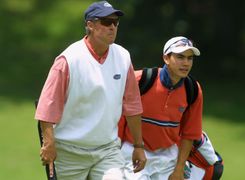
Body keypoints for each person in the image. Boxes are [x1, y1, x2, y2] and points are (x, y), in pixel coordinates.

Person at [34, 1, 146, 179]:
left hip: (107, 150)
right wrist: (49, 144)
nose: (112, 27)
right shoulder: (68, 59)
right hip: (69, 152)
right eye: (106, 22)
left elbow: (132, 105)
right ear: (90, 25)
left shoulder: (123, 57)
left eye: (115, 22)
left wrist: (138, 146)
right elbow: (47, 107)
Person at [119, 36, 203, 180]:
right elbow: (118, 118)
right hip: (133, 152)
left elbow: (190, 133)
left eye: (190, 58)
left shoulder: (193, 89)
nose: (186, 63)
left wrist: (179, 169)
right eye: (180, 57)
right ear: (166, 58)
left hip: (167, 158)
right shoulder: (141, 80)